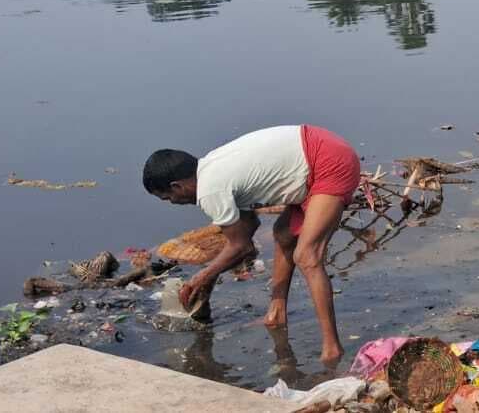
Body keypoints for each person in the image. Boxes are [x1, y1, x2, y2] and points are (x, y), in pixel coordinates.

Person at [142, 124, 360, 365]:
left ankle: (332, 348)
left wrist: (202, 277)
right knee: (283, 234)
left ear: (177, 186)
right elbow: (248, 228)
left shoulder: (209, 190)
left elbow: (242, 248)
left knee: (307, 256)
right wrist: (210, 278)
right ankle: (276, 313)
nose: (173, 202)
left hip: (328, 160)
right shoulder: (211, 167)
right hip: (318, 151)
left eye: (168, 197)